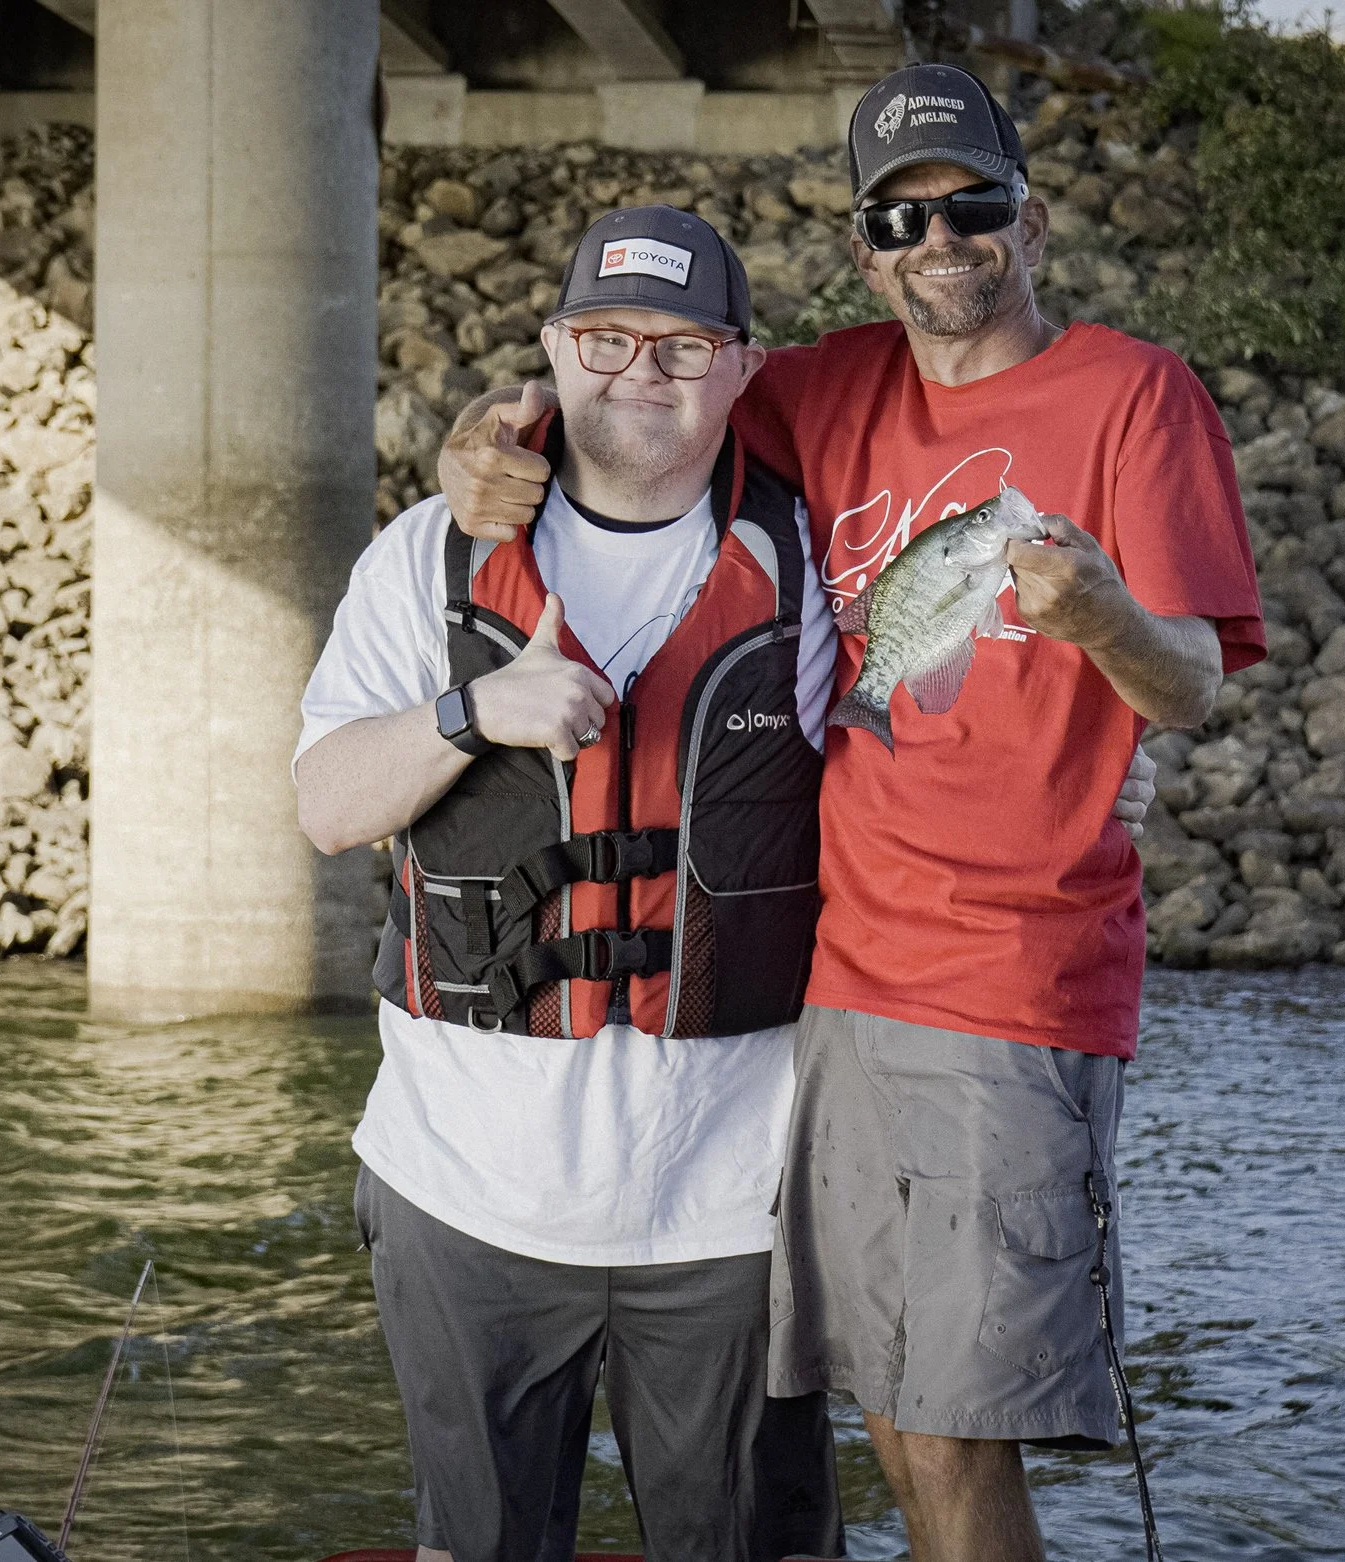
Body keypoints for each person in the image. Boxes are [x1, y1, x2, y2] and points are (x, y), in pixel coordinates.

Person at [437, 63, 1265, 1562]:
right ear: (868, 246)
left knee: (957, 1426)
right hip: (834, 982)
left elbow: (1197, 679)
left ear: (1035, 217)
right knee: (884, 1407)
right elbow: (639, 396)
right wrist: (491, 437)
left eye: (974, 204)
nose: (941, 237)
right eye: (904, 214)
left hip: (1016, 986)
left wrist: (1101, 619)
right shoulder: (824, 388)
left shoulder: (1137, 394)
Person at [294, 206, 844, 1562]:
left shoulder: (819, 570)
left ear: (742, 366)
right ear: (552, 350)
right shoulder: (424, 554)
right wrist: (474, 710)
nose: (640, 372)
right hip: (464, 1196)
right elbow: (323, 805)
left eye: (682, 344)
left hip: (733, 1211)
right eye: (606, 336)